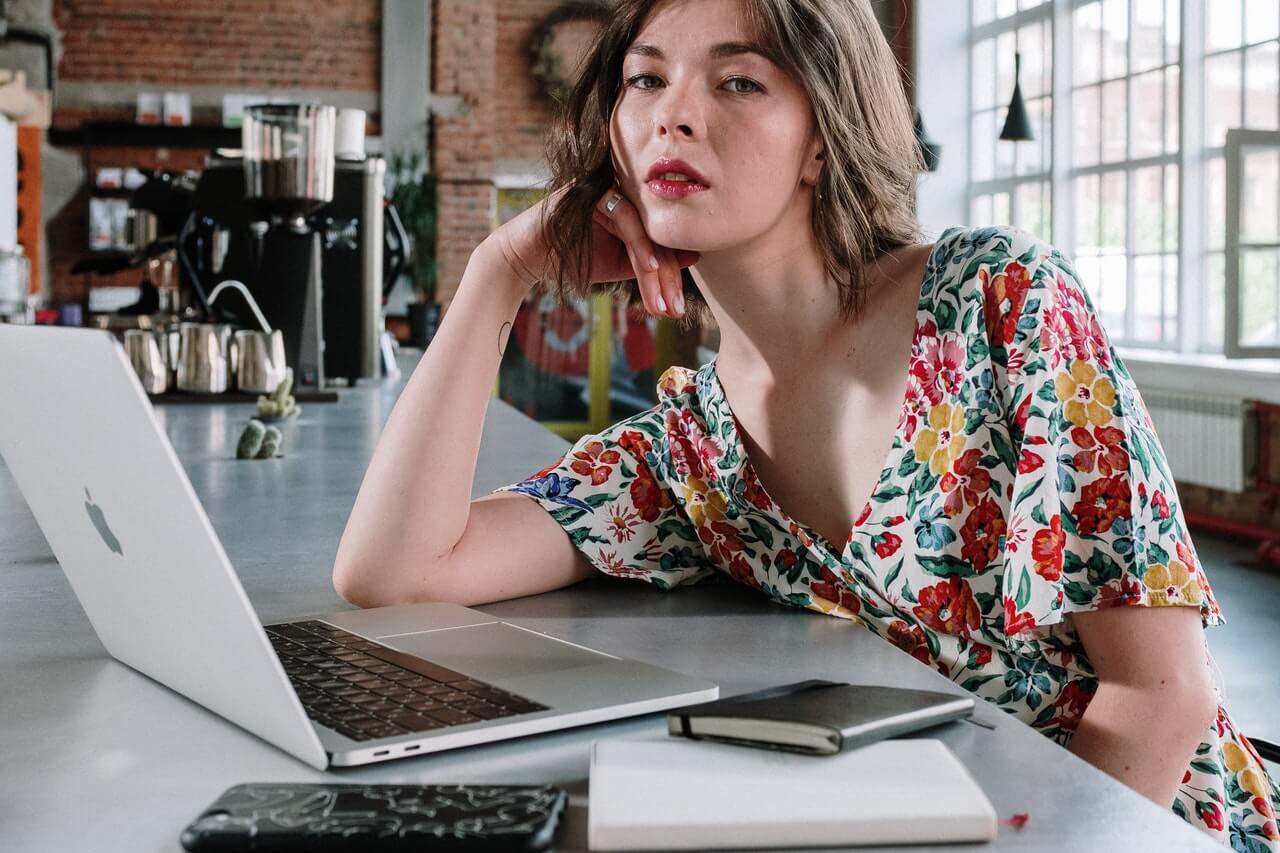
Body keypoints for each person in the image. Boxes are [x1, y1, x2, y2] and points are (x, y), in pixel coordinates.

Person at [333, 0, 1279, 845]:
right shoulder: (691, 455)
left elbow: (1162, 697)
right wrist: (503, 271)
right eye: (645, 79)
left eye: (738, 80)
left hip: (1144, 825)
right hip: (936, 820)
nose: (675, 112)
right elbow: (394, 571)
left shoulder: (999, 303)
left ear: (821, 139)